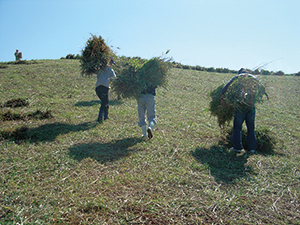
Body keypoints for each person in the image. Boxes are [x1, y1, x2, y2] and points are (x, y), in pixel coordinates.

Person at [220, 68, 262, 154]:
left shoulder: (238, 77)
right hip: (251, 107)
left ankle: (237, 147)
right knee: (251, 128)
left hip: (241, 106)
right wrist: (255, 100)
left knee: (237, 128)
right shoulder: (254, 78)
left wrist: (222, 98)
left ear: (240, 73)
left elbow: (226, 87)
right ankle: (252, 148)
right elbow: (262, 89)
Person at [95, 58, 116, 122]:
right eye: (111, 63)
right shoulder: (110, 70)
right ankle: (100, 116)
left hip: (98, 88)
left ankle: (106, 116)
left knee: (105, 102)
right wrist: (110, 81)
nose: (111, 65)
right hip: (104, 88)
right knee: (104, 102)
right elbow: (114, 78)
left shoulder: (99, 69)